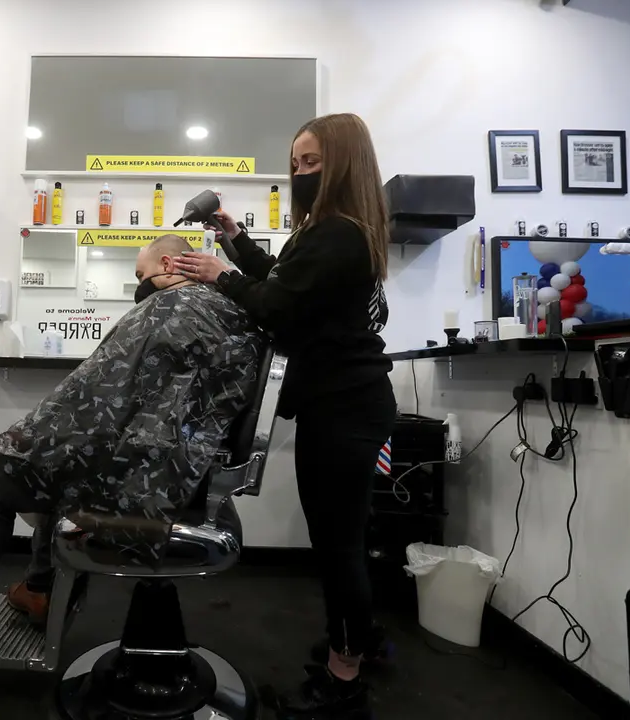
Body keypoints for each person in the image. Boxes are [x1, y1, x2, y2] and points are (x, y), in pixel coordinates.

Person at [0, 234, 265, 632]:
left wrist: (9, 444)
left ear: (168, 265)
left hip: (148, 477)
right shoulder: (227, 311)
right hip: (187, 467)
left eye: (141, 273)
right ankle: (40, 590)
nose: (140, 282)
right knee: (61, 465)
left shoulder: (165, 312)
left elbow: (88, 404)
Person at [173, 113, 396, 719]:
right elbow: (285, 283)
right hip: (346, 404)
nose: (299, 173)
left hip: (345, 410)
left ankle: (343, 681)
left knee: (338, 546)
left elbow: (278, 307)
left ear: (343, 164)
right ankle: (358, 640)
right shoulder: (334, 231)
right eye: (295, 163)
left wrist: (222, 275)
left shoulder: (338, 235)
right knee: (344, 540)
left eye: (311, 163)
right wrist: (235, 240)